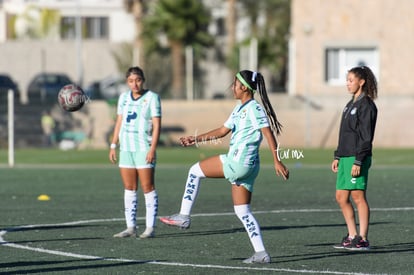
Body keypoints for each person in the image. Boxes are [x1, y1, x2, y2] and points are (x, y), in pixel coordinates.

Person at [160, 70, 289, 264]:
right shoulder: (239, 109)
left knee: (194, 171)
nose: (231, 88)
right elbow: (222, 131)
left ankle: (183, 216)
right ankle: (261, 253)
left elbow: (268, 133)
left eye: (235, 84)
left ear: (244, 88)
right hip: (249, 167)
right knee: (242, 211)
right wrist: (195, 139)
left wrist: (277, 160)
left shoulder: (253, 108)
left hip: (237, 162)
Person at [109, 66, 161, 239]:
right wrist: (113, 145)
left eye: (138, 80)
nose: (135, 84)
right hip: (126, 149)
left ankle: (150, 228)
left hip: (143, 149)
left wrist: (152, 148)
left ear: (143, 80)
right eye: (131, 81)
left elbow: (157, 125)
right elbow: (119, 122)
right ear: (127, 82)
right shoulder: (123, 98)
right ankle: (130, 227)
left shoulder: (152, 98)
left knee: (148, 187)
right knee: (129, 188)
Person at [331, 66, 378, 250]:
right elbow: (345, 133)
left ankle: (363, 238)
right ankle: (352, 235)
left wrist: (359, 160)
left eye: (351, 80)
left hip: (357, 157)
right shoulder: (350, 104)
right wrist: (337, 156)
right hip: (345, 157)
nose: (347, 84)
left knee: (358, 197)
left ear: (362, 82)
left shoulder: (366, 104)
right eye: (347, 80)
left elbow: (366, 136)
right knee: (341, 197)